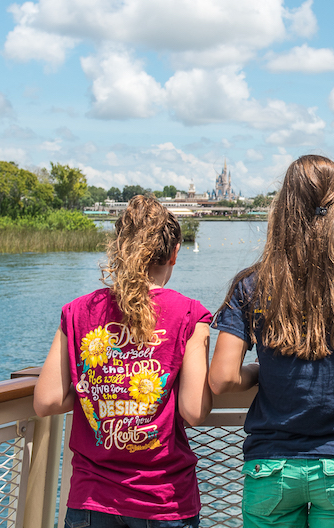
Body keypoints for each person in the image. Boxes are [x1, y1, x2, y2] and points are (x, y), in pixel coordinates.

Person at [209, 154, 334, 528]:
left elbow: (220, 379)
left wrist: (257, 372)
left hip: (271, 467)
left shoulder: (250, 284)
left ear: (285, 206)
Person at [35, 195, 212, 528]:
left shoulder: (78, 312)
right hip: (164, 498)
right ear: (174, 254)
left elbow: (47, 401)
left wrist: (98, 391)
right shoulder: (189, 313)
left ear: (119, 248)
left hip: (92, 500)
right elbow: (194, 411)